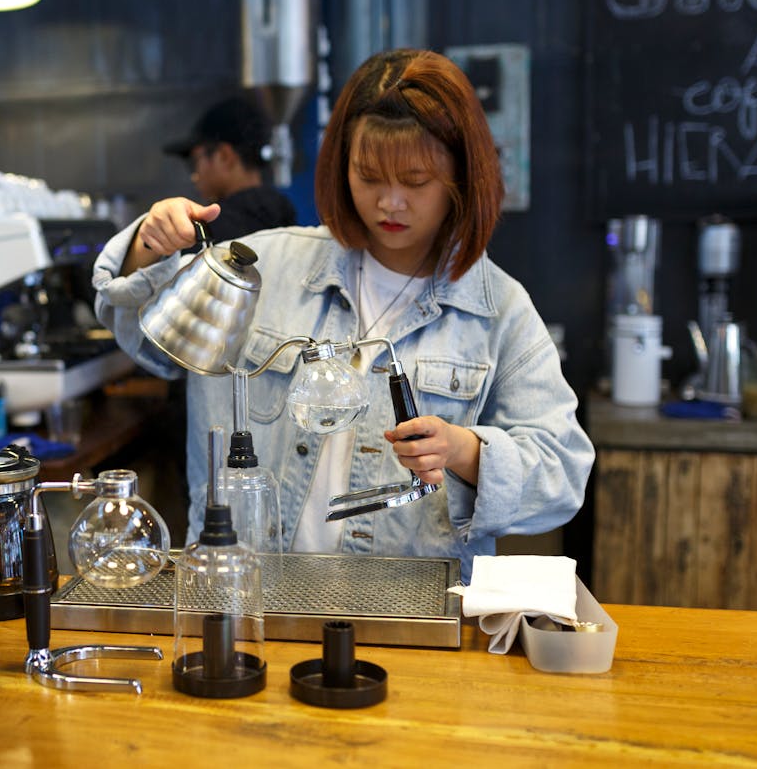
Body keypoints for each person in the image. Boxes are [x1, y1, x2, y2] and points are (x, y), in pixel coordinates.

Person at [94, 49, 593, 581]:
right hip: (246, 599)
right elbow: (143, 338)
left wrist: (466, 451)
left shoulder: (496, 310)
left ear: (462, 179)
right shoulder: (265, 266)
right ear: (341, 165)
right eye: (370, 176)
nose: (391, 203)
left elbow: (562, 475)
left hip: (411, 616)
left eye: (417, 181)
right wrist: (149, 246)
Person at [161, 96, 296, 243]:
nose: (194, 176)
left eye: (194, 162)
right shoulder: (287, 218)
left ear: (225, 156)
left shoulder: (209, 232)